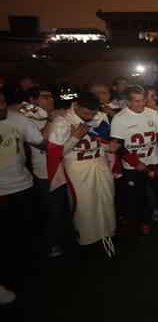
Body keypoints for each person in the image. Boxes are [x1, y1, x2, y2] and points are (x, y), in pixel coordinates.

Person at [47, 92, 116, 256]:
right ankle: (87, 240)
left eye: (93, 113)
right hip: (77, 167)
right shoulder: (62, 121)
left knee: (106, 199)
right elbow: (57, 153)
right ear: (76, 106)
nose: (90, 116)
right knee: (84, 205)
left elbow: (102, 144)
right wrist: (74, 138)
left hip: (99, 163)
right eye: (86, 113)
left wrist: (108, 146)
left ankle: (108, 233)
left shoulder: (100, 117)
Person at [110, 85, 158, 239]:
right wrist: (135, 163)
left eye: (143, 100)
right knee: (137, 197)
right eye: (136, 101)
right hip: (133, 167)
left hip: (155, 160)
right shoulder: (119, 119)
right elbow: (117, 146)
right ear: (127, 102)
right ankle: (143, 222)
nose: (141, 104)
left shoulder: (152, 114)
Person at [0, 89, 44, 304]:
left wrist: (54, 121)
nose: (1, 107)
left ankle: (24, 268)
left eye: (2, 101)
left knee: (25, 230)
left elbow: (39, 139)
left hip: (22, 184)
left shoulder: (18, 118)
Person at [22, 87, 69, 257]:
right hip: (45, 173)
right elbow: (42, 143)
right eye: (45, 97)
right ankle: (54, 243)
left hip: (67, 168)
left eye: (51, 96)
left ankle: (70, 237)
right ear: (33, 100)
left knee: (67, 207)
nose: (50, 99)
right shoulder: (27, 120)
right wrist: (51, 120)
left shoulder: (59, 114)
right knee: (53, 210)